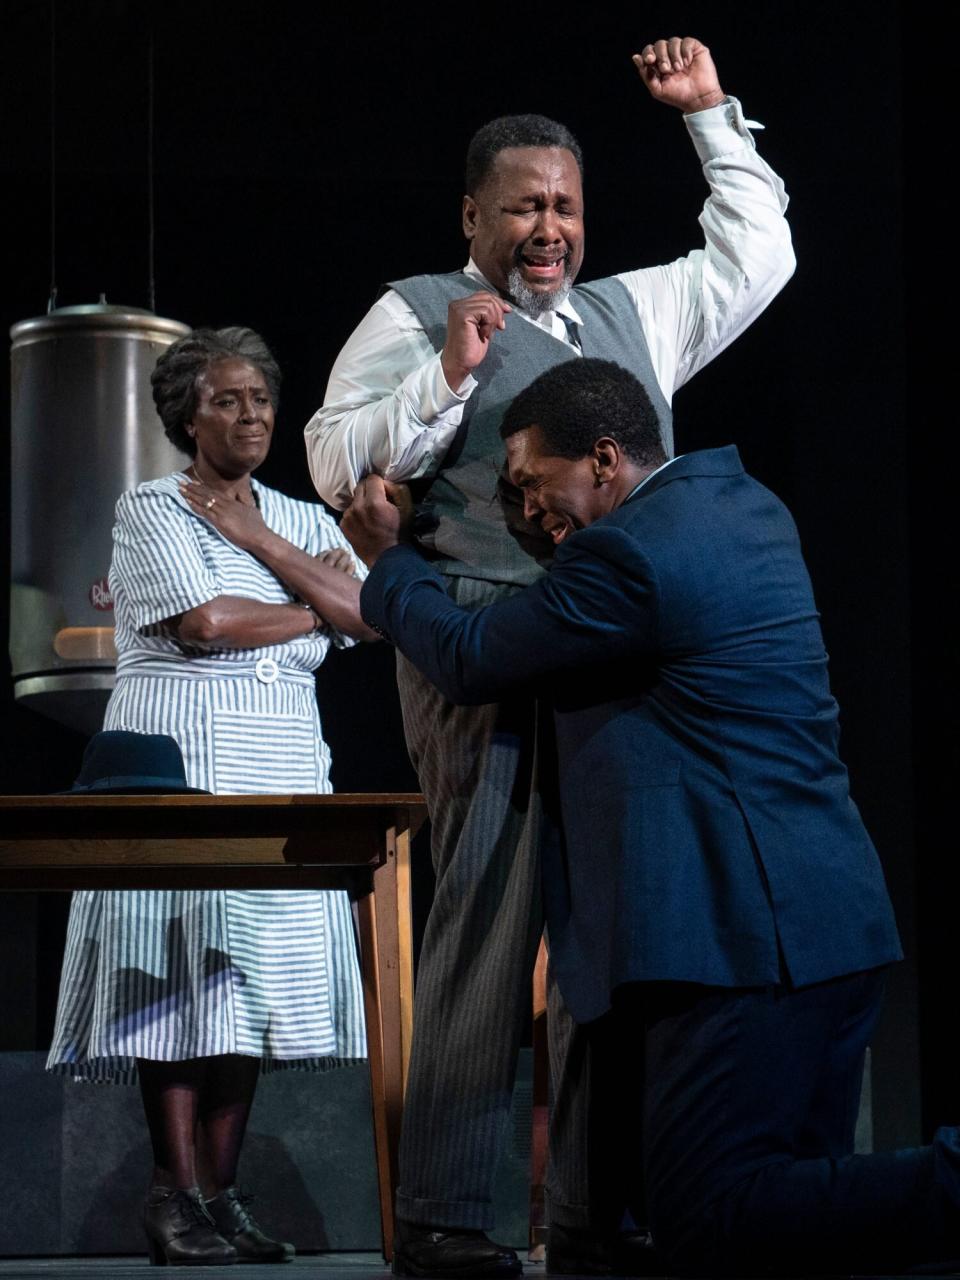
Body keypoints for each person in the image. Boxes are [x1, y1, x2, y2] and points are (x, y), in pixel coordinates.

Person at [306, 33, 796, 1277]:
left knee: (601, 928)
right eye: (523, 203)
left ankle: (591, 1205)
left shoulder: (632, 313)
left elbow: (761, 253)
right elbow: (328, 456)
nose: (548, 224)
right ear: (473, 213)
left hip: (609, 646)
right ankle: (452, 1214)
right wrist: (446, 381)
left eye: (566, 204)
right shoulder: (417, 311)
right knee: (489, 905)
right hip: (473, 638)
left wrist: (705, 116)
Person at [340, 357, 960, 1277]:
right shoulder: (747, 508)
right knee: (797, 1234)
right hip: (832, 929)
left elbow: (471, 656)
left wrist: (388, 564)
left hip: (741, 943)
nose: (525, 511)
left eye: (530, 484)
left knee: (714, 1221)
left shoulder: (626, 557)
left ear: (601, 459)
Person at [47, 326, 374, 1267]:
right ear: (187, 415)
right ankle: (170, 1192)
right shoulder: (153, 507)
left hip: (281, 759)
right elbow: (206, 623)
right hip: (185, 754)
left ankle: (220, 1198)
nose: (251, 414)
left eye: (262, 398)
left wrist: (263, 541)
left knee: (253, 982)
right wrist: (318, 609)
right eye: (227, 399)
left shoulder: (302, 519)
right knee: (181, 973)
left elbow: (374, 615)